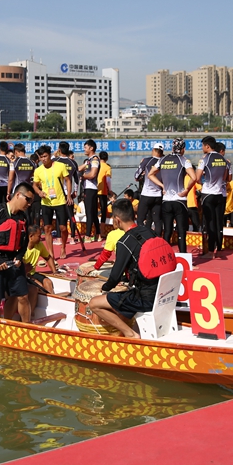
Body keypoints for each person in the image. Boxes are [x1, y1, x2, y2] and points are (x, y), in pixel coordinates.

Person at [88, 199, 161, 338]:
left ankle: (130, 334)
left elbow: (114, 278)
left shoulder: (124, 242)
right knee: (121, 296)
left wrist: (104, 288)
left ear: (117, 219)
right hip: (162, 291)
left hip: (145, 298)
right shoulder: (149, 232)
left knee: (94, 303)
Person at [0, 183, 34, 320]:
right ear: (18, 195)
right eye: (28, 200)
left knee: (22, 296)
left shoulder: (24, 217)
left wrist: (19, 257)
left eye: (31, 201)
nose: (29, 204)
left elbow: (25, 242)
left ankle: (25, 326)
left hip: (14, 261)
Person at [148, 138, 196, 253]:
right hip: (180, 200)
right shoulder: (184, 160)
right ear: (183, 149)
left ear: (172, 148)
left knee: (167, 231)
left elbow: (150, 174)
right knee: (181, 231)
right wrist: (186, 190)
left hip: (166, 201)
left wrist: (162, 186)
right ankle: (183, 256)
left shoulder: (162, 159)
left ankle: (164, 255)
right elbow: (194, 177)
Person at [33, 145, 73, 259]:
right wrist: (39, 192)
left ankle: (63, 247)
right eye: (41, 157)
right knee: (47, 228)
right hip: (46, 202)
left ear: (50, 155)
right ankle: (51, 253)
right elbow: (34, 185)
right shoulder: (38, 170)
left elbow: (68, 180)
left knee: (63, 228)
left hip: (60, 201)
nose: (43, 159)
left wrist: (69, 195)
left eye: (45, 156)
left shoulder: (60, 166)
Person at [196, 136, 230, 258]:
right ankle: (218, 249)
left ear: (207, 146)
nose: (202, 148)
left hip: (208, 195)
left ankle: (210, 252)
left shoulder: (204, 159)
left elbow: (197, 178)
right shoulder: (224, 159)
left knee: (210, 223)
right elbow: (226, 178)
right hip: (220, 195)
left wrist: (203, 182)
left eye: (203, 146)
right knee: (218, 223)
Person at [135, 143, 165, 235]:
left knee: (140, 219)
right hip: (159, 195)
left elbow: (136, 176)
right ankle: (158, 239)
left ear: (153, 150)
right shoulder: (164, 161)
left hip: (147, 195)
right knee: (157, 220)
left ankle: (143, 238)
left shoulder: (147, 160)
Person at [79, 139, 102, 242]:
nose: (84, 149)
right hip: (88, 188)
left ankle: (88, 235)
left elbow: (93, 174)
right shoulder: (89, 160)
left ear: (91, 148)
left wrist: (83, 176)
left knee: (89, 212)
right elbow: (79, 169)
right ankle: (98, 234)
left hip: (91, 188)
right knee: (93, 212)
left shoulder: (95, 160)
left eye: (85, 147)